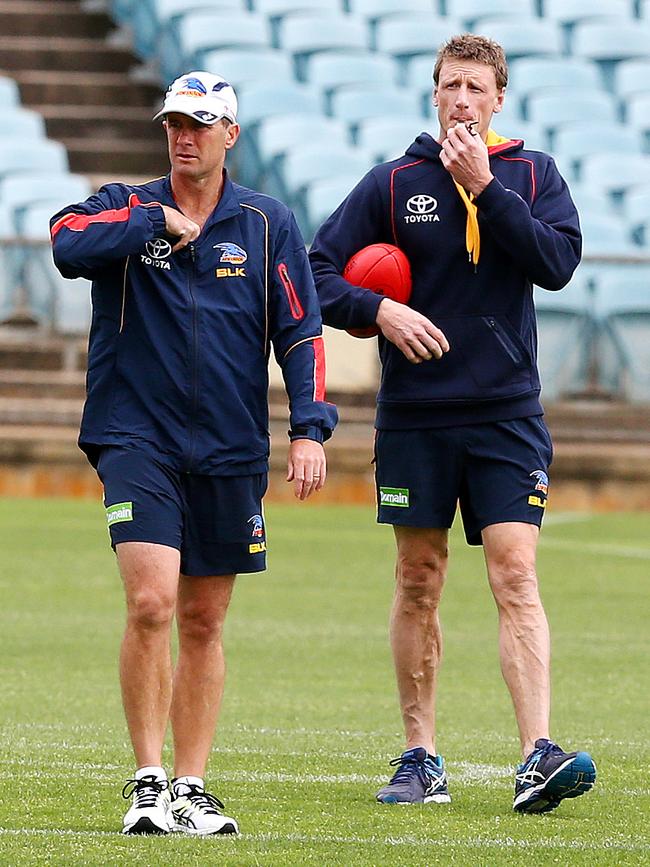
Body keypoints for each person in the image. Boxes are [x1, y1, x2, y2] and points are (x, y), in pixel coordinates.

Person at [309, 34, 596, 814]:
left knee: (514, 571)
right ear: (434, 94)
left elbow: (557, 262)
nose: (461, 98)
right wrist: (380, 309)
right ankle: (419, 755)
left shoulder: (534, 176)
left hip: (506, 415)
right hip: (415, 418)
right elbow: (316, 271)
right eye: (449, 85)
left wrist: (488, 189)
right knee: (417, 580)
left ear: (499, 97)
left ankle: (537, 753)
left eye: (475, 86)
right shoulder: (394, 182)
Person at [50, 71, 337, 836]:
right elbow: (64, 243)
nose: (184, 136)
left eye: (201, 124)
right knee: (152, 602)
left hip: (231, 445)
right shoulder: (124, 204)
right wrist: (152, 222)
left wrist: (309, 428)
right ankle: (147, 779)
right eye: (175, 123)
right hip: (134, 434)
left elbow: (302, 330)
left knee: (205, 620)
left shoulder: (268, 223)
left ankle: (190, 783)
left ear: (230, 136)